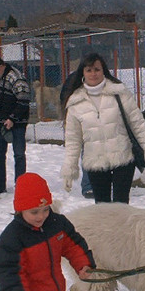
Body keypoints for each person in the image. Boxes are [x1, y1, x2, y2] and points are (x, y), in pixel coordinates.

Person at [61, 52, 145, 203]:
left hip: (123, 158)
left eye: (97, 69)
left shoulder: (119, 93)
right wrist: (69, 168)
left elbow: (138, 125)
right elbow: (73, 140)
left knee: (121, 206)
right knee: (102, 208)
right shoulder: (75, 103)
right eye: (89, 70)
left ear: (104, 71)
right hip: (95, 162)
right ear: (83, 73)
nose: (93, 74)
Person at [0, 56, 30, 195]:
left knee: (19, 154)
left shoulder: (16, 78)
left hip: (17, 122)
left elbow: (24, 101)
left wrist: (12, 118)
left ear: (1, 66)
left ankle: (21, 185)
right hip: (0, 121)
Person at [60, 70, 93, 199]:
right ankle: (88, 185)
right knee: (86, 151)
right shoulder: (74, 82)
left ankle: (91, 185)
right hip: (81, 121)